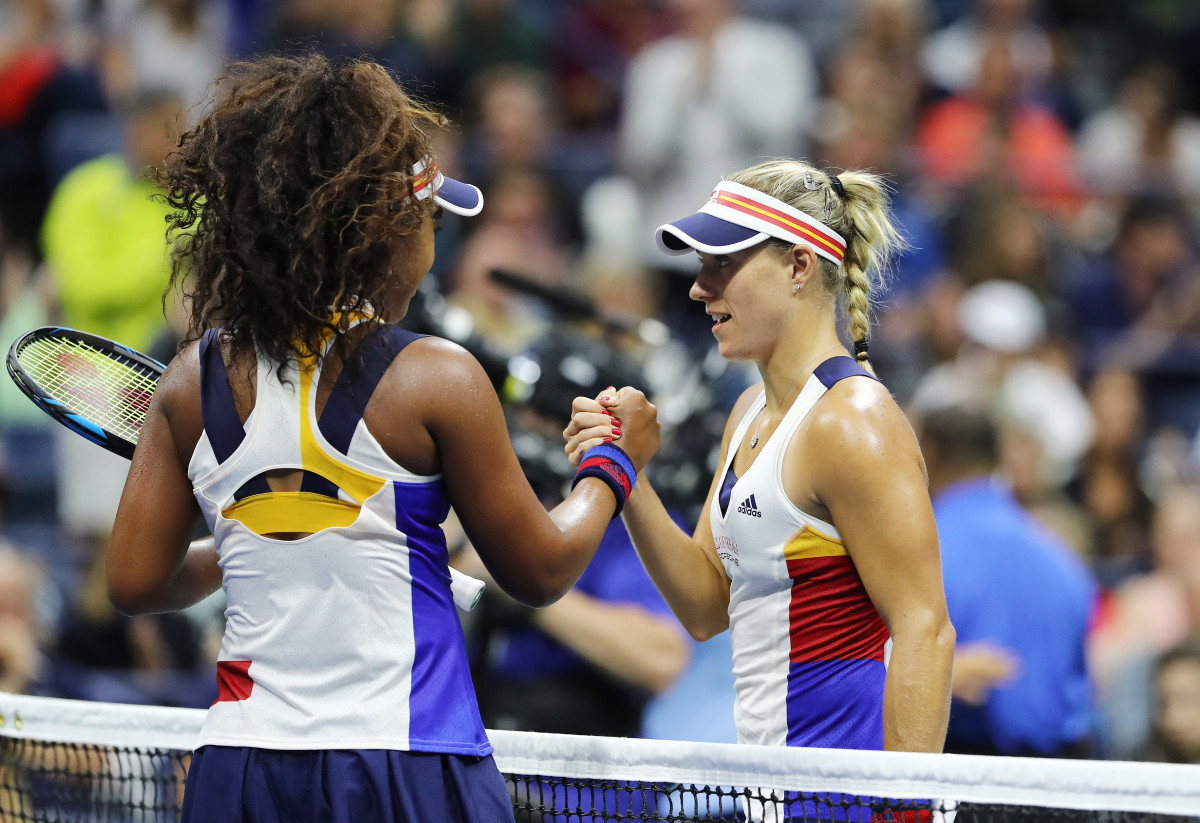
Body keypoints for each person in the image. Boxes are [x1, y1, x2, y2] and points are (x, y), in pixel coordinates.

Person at [104, 54, 660, 823]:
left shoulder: (186, 381)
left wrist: (263, 537)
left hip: (241, 770)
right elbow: (541, 567)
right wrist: (613, 464)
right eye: (432, 224)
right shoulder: (438, 378)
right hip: (405, 761)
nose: (435, 250)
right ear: (385, 233)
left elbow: (136, 583)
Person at [565, 159, 955, 758]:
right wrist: (628, 474)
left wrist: (901, 801)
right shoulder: (747, 412)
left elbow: (925, 631)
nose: (699, 287)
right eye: (702, 265)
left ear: (798, 266)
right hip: (768, 788)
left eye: (724, 263)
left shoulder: (852, 421)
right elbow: (705, 608)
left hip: (843, 794)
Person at [917, 404, 1096, 758]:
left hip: (957, 766)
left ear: (929, 454)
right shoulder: (1061, 560)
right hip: (1059, 771)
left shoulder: (920, 551)